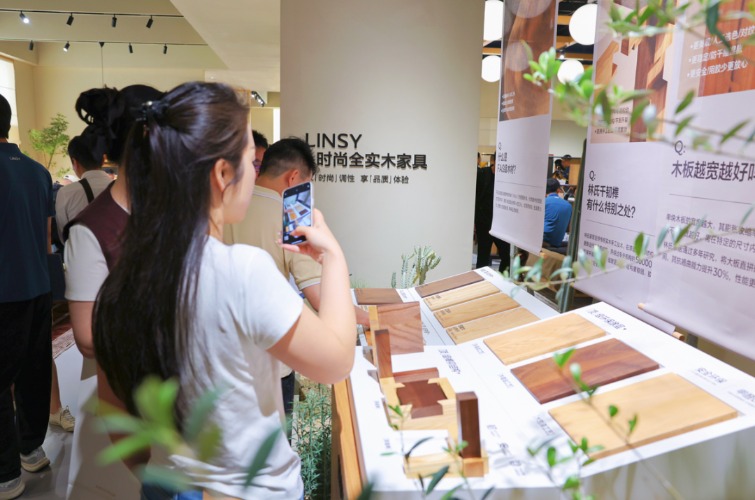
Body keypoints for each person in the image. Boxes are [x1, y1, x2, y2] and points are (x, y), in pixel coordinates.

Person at [93, 82, 356, 499]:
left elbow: (115, 412)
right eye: (251, 161)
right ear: (221, 174)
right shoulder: (243, 270)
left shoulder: (124, 277)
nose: (255, 172)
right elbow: (336, 362)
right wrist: (334, 258)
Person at [225, 137, 368, 417]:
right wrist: (333, 257)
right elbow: (319, 298)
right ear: (293, 178)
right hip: (271, 360)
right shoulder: (290, 221)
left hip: (226, 361)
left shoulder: (222, 214)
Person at [0, 94, 53, 498]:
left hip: (3, 292)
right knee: (34, 371)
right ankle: (31, 449)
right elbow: (46, 237)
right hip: (38, 284)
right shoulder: (38, 172)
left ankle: (6, 474)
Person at [55, 131, 110, 243]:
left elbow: (64, 237)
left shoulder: (66, 193)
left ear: (74, 163)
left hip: (81, 252)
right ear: (103, 160)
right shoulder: (123, 188)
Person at [474, 160, 511, 272]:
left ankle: (502, 278)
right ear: (494, 161)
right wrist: (474, 222)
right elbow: (475, 198)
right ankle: (481, 279)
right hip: (483, 222)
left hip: (501, 223)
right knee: (483, 257)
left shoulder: (507, 178)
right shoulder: (482, 174)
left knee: (507, 255)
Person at [543, 178, 572, 254]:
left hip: (543, 242)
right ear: (558, 190)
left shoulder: (543, 202)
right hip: (557, 243)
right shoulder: (568, 205)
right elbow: (569, 228)